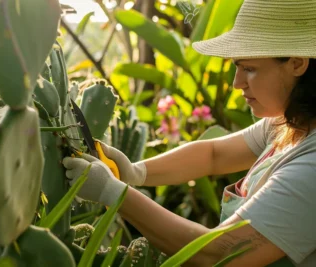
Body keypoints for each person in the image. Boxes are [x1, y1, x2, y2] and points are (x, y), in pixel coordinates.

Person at [62, 0, 316, 266]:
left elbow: (219, 253)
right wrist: (136, 172)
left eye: (249, 69)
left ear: (297, 64)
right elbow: (213, 155)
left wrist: (113, 193)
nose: (237, 83)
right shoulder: (287, 124)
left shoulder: (310, 167)